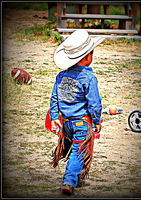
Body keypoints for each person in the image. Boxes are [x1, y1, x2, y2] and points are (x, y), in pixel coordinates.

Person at [49, 30, 104, 195]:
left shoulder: (61, 76)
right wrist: (97, 121)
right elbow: (94, 104)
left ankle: (76, 177)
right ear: (88, 56)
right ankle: (69, 180)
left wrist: (53, 117)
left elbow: (54, 98)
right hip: (82, 123)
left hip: (66, 123)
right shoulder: (89, 78)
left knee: (73, 149)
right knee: (78, 151)